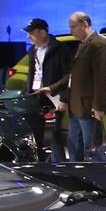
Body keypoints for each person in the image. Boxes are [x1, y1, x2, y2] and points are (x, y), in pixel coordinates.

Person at [23, 17, 75, 161]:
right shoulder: (32, 50)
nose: (28, 36)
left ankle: (59, 165)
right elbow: (32, 74)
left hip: (53, 97)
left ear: (42, 32)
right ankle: (40, 163)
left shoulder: (60, 49)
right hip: (35, 96)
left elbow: (68, 76)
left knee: (53, 134)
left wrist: (64, 98)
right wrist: (28, 95)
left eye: (31, 33)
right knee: (36, 133)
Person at [65, 11, 106, 160]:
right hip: (77, 107)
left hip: (89, 108)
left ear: (84, 24)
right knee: (75, 148)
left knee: (92, 149)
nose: (71, 31)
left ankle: (95, 173)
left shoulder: (98, 44)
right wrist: (52, 88)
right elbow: (74, 75)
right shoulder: (83, 44)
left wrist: (98, 106)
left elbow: (101, 78)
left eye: (73, 27)